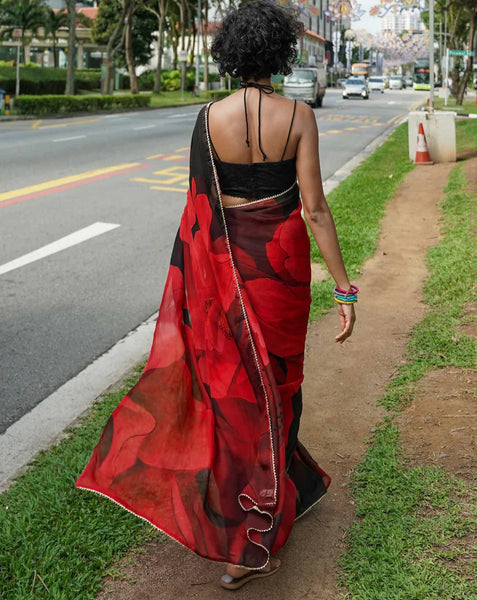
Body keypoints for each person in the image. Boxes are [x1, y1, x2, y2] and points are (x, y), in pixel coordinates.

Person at [76, 0, 356, 591]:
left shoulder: (206, 120)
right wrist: (345, 285)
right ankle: (249, 547)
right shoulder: (299, 115)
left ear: (230, 52)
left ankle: (269, 503)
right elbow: (314, 208)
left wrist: (195, 289)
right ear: (280, 51)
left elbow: (198, 212)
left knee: (235, 402)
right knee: (280, 388)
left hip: (224, 275)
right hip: (281, 273)